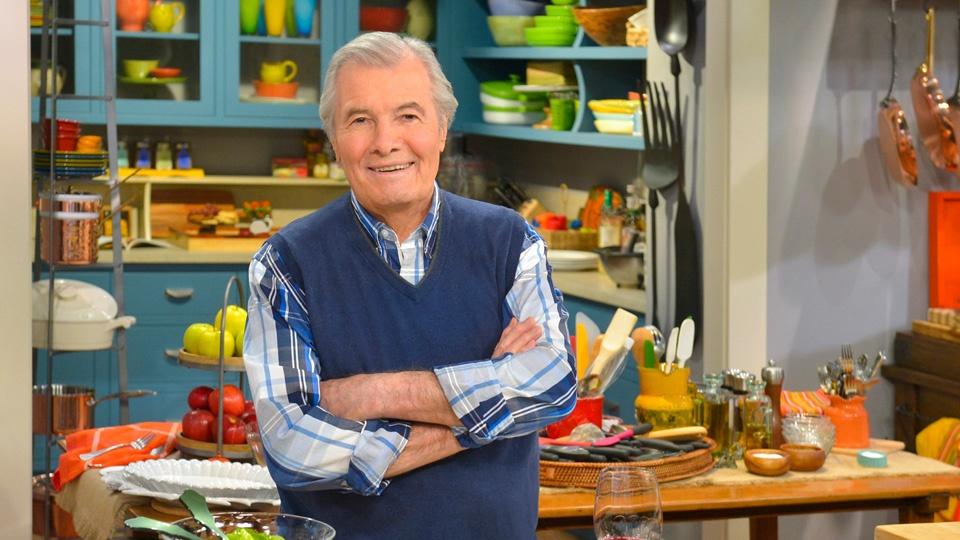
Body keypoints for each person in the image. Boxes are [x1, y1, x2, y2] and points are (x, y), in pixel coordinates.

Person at [244, 32, 576, 539]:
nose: (385, 141)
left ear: (442, 128)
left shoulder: (511, 241)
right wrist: (483, 410)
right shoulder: (287, 263)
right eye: (360, 120)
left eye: (408, 116)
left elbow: (552, 383)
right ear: (334, 140)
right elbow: (291, 446)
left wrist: (370, 392)